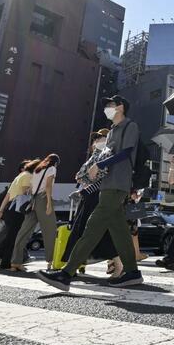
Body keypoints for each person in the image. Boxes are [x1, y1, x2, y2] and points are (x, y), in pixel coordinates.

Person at [37, 95, 144, 290]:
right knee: (120, 231)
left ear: (120, 107)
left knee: (92, 228)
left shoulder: (130, 126)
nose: (107, 108)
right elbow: (107, 155)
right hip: (107, 185)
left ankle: (66, 273)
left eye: (111, 105)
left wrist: (100, 164)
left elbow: (126, 152)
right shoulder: (111, 132)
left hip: (118, 184)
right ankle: (132, 272)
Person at [67, 130, 121, 277]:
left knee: (94, 230)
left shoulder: (106, 155)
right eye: (96, 138)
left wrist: (86, 179)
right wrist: (85, 177)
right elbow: (79, 175)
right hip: (89, 195)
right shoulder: (95, 156)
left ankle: (117, 262)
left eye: (102, 137)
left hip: (97, 195)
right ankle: (71, 266)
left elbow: (100, 177)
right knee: (85, 230)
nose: (98, 140)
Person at [0, 157, 35, 269]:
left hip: (9, 209)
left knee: (13, 234)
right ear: (23, 168)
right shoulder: (26, 177)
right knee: (8, 235)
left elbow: (7, 196)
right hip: (16, 210)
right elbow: (25, 194)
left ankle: (22, 256)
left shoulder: (16, 179)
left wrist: (1, 210)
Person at [9, 153, 60, 271]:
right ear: (56, 163)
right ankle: (50, 262)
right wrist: (48, 203)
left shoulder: (37, 170)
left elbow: (31, 188)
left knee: (24, 232)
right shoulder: (52, 168)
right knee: (50, 231)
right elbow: (48, 186)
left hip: (33, 200)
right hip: (43, 199)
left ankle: (15, 262)